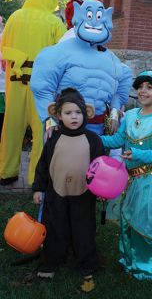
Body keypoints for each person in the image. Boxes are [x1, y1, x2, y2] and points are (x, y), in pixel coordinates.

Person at [101, 70, 152, 281]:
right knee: (127, 217)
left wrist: (137, 154)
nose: (143, 91)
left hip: (150, 179)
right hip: (129, 178)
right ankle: (131, 259)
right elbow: (116, 140)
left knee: (145, 219)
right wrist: (91, 138)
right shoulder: (131, 115)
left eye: (149, 88)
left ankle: (149, 264)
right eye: (141, 87)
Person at [30, 0, 132, 137]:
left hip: (97, 132)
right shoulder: (60, 52)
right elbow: (42, 88)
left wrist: (114, 114)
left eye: (99, 16)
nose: (94, 21)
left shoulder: (113, 61)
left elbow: (119, 91)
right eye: (90, 15)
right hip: (63, 129)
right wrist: (49, 121)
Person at [32, 88, 104, 286]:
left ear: (85, 114)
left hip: (84, 194)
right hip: (57, 192)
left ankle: (86, 262)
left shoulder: (93, 140)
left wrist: (102, 190)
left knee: (84, 229)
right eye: (68, 113)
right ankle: (51, 261)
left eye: (78, 112)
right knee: (55, 226)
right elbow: (43, 165)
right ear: (59, 116)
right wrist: (39, 188)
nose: (74, 117)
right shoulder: (53, 139)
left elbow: (100, 168)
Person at [0, 0, 66, 185]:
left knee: (11, 128)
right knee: (42, 131)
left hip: (16, 83)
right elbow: (63, 54)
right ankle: (35, 178)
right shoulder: (54, 23)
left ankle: (6, 172)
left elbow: (4, 48)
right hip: (43, 88)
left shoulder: (14, 17)